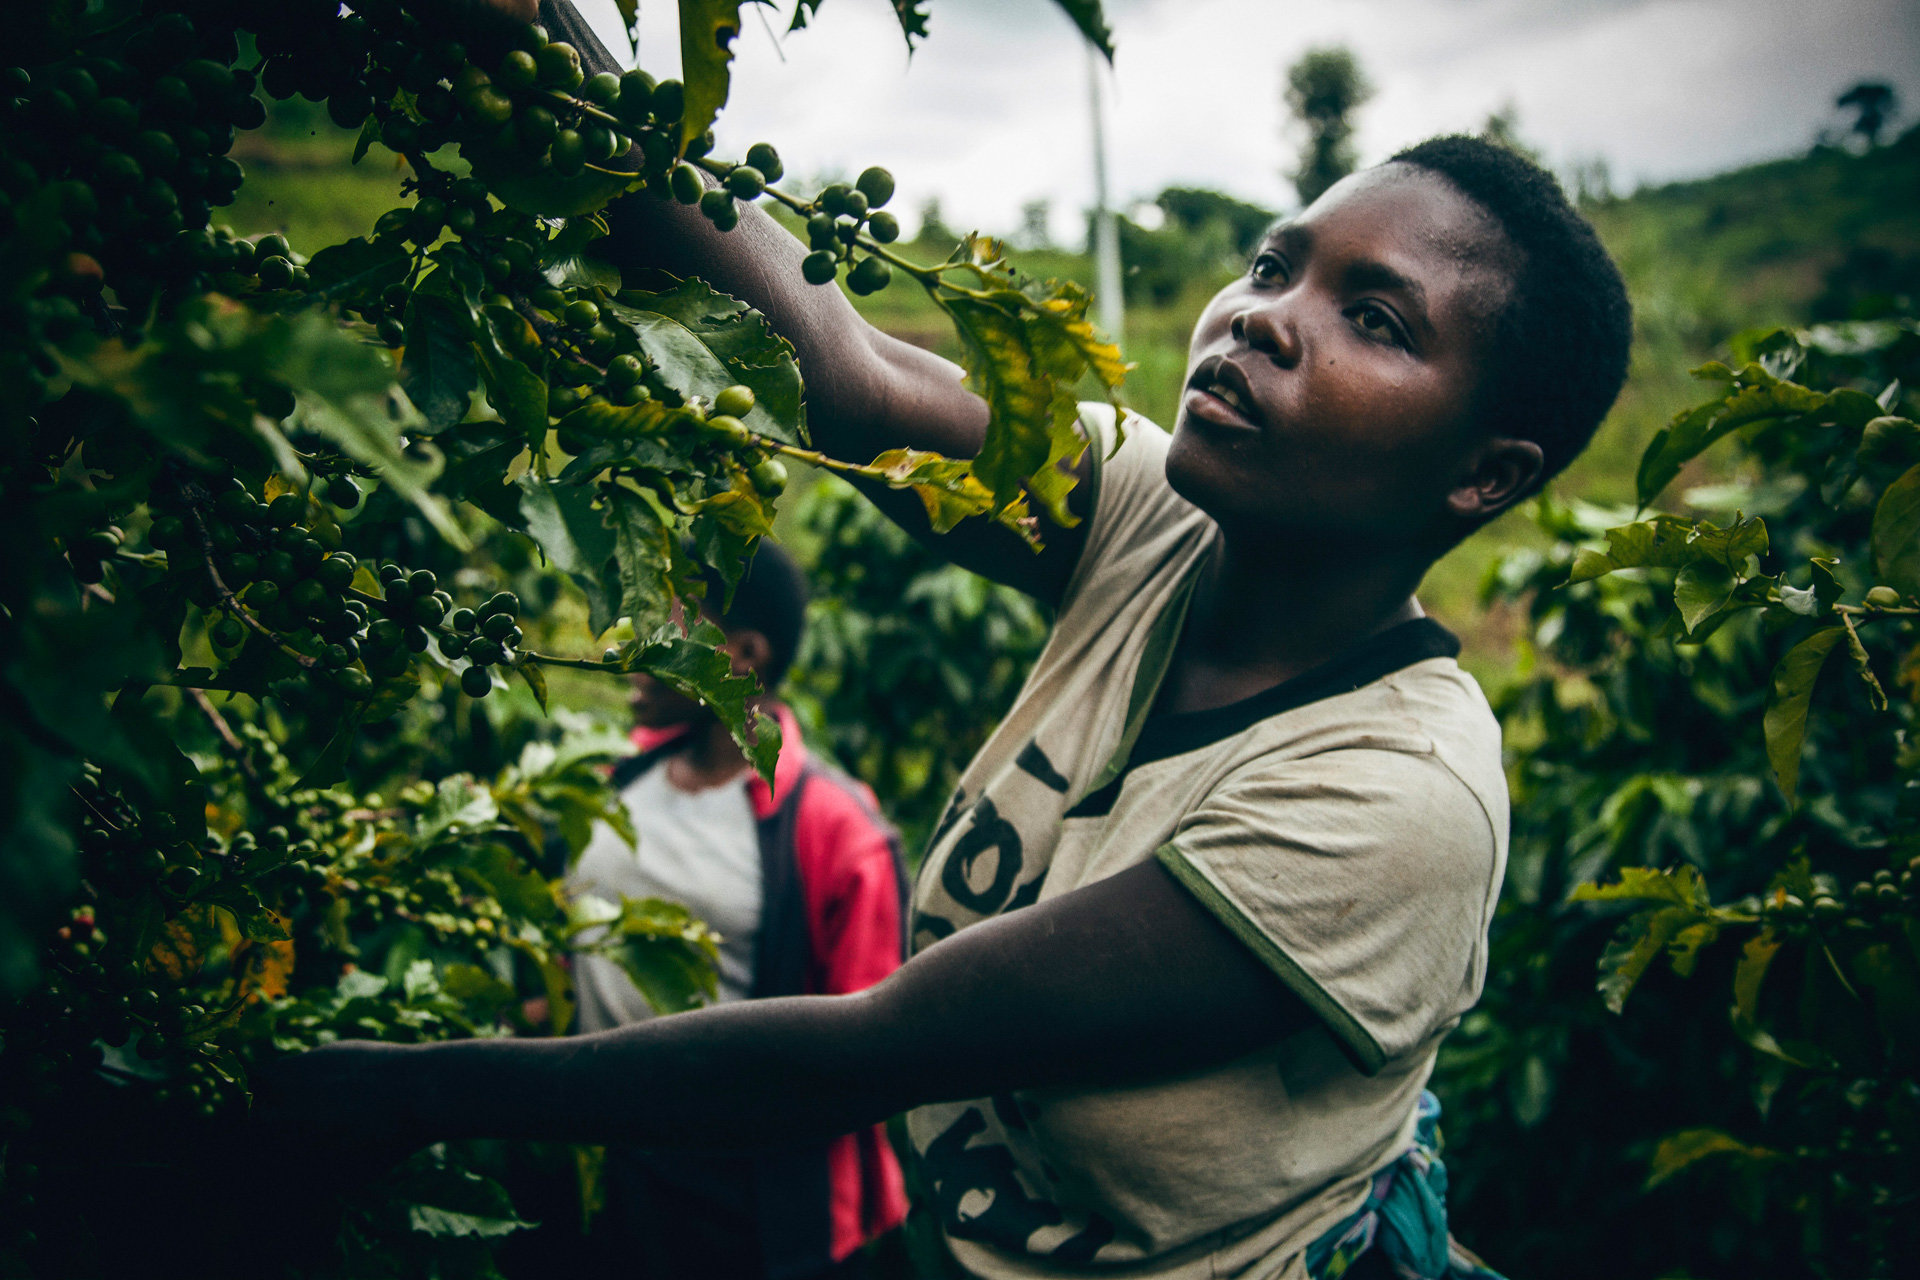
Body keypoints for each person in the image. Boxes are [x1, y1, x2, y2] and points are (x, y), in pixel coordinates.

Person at [266, 4, 1633, 1276]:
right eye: (1277, 263)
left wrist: (400, 1090)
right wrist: (541, 52)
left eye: (1374, 319)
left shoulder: (1399, 805)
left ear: (1485, 477)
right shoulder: (1157, 512)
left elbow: (880, 1046)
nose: (1266, 316)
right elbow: (847, 381)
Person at [561, 543, 909, 1280]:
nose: (631, 636)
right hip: (604, 1177)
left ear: (741, 655)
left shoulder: (838, 833)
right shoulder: (614, 778)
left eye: (664, 618)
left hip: (744, 1213)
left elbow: (862, 1059)